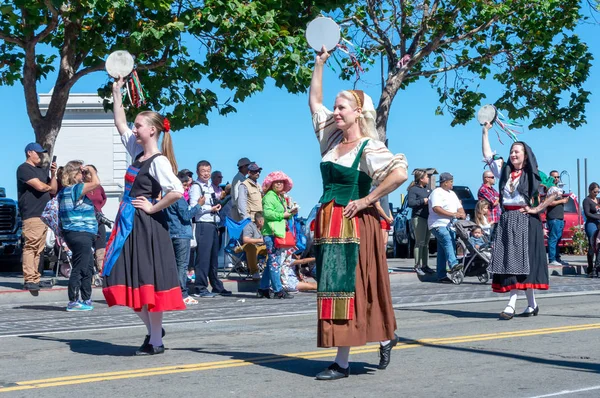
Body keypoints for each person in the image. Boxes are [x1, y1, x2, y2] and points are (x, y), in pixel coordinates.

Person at [309, 47, 408, 380]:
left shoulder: (370, 147)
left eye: (342, 107)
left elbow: (399, 173)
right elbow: (314, 102)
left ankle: (342, 362)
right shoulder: (331, 140)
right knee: (342, 287)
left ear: (357, 112)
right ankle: (385, 335)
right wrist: (319, 63)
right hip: (329, 223)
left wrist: (368, 200)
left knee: (349, 286)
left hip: (353, 225)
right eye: (335, 107)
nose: (335, 112)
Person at [103, 77, 186, 356]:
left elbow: (176, 190)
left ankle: (156, 340)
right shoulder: (137, 152)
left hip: (146, 226)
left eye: (139, 125)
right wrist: (117, 92)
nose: (134, 129)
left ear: (152, 130)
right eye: (136, 125)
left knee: (146, 281)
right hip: (128, 223)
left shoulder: (159, 160)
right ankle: (154, 332)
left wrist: (152, 207)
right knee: (117, 277)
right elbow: (120, 124)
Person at [482, 121, 559, 320]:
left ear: (525, 156)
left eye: (517, 151)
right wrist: (485, 132)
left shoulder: (534, 175)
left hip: (526, 221)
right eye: (512, 151)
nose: (513, 154)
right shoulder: (505, 172)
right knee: (514, 262)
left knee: (520, 263)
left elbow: (554, 192)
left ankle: (511, 304)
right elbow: (488, 156)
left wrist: (536, 209)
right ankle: (532, 305)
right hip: (508, 220)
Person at [57, 160, 100, 311]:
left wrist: (85, 174)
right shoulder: (74, 189)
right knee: (80, 267)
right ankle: (73, 301)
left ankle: (86, 298)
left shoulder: (65, 191)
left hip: (79, 233)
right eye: (81, 172)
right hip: (80, 232)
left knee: (87, 267)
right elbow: (96, 183)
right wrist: (91, 170)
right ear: (74, 174)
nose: (84, 175)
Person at [16, 142, 58, 292]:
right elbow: (41, 187)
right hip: (32, 214)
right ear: (29, 153)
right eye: (38, 153)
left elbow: (53, 189)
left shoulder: (41, 171)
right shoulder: (24, 169)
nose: (41, 155)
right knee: (31, 246)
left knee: (39, 249)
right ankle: (29, 279)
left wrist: (53, 174)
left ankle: (35, 278)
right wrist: (47, 186)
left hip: (43, 215)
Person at [189, 160, 232, 298]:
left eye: (208, 171)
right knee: (203, 258)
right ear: (197, 172)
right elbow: (193, 208)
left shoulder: (210, 186)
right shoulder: (196, 187)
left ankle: (216, 285)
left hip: (213, 224)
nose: (206, 174)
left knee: (213, 258)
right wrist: (209, 209)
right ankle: (200, 287)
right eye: (203, 171)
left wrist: (216, 207)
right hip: (203, 224)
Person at [165, 170, 206, 305]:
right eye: (186, 185)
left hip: (172, 232)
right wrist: (199, 205)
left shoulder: (167, 196)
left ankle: (172, 292)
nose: (187, 188)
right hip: (182, 234)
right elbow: (186, 215)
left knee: (174, 265)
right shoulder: (179, 197)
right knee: (182, 265)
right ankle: (182, 293)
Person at [258, 171, 296, 299]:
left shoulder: (278, 196)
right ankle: (278, 290)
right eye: (277, 182)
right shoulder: (269, 196)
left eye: (281, 182)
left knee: (272, 261)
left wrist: (290, 212)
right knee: (275, 262)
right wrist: (284, 215)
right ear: (271, 184)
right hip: (271, 233)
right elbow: (267, 214)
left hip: (275, 232)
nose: (279, 184)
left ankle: (263, 288)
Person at [428, 172, 466, 282]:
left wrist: (461, 213)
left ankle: (441, 275)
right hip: (438, 224)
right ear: (444, 183)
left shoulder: (452, 194)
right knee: (447, 240)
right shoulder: (437, 193)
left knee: (444, 248)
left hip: (451, 225)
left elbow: (460, 208)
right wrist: (453, 214)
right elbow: (436, 208)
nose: (452, 184)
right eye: (451, 182)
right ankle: (453, 264)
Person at [407, 170, 433, 275]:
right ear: (421, 178)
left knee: (426, 243)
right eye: (427, 177)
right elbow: (411, 203)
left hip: (428, 218)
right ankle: (417, 265)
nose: (428, 179)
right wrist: (423, 201)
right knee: (419, 242)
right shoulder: (413, 190)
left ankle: (425, 265)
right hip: (418, 217)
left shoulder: (429, 189)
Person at [85, 165, 108, 284]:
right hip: (86, 221)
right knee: (88, 247)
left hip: (99, 219)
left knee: (101, 247)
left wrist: (98, 209)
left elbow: (103, 199)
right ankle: (89, 273)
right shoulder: (82, 187)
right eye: (88, 173)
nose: (90, 176)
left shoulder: (99, 187)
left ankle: (101, 271)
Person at [545, 170, 570, 266]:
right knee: (553, 238)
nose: (556, 179)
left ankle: (557, 258)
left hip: (559, 218)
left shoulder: (557, 189)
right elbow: (549, 202)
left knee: (558, 239)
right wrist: (562, 201)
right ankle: (552, 259)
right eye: (554, 177)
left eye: (557, 177)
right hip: (553, 217)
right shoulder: (550, 189)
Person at [241, 211, 267, 279]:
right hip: (248, 246)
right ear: (260, 221)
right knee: (251, 247)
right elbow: (245, 240)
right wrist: (261, 240)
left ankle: (268, 270)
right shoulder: (249, 226)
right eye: (266, 221)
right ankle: (254, 272)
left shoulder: (266, 228)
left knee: (271, 247)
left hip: (262, 247)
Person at [582, 182, 600, 277]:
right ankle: (590, 267)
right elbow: (587, 213)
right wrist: (598, 217)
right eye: (594, 192)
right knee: (592, 244)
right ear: (590, 190)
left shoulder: (599, 200)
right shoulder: (586, 200)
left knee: (599, 245)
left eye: (598, 192)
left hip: (599, 224)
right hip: (591, 223)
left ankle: (597, 267)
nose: (596, 194)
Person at [477, 170, 501, 236]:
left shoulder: (493, 190)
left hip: (496, 220)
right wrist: (500, 197)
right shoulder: (483, 189)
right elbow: (494, 202)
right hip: (489, 221)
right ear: (487, 178)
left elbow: (498, 200)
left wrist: (498, 199)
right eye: (492, 177)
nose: (494, 179)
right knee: (490, 242)